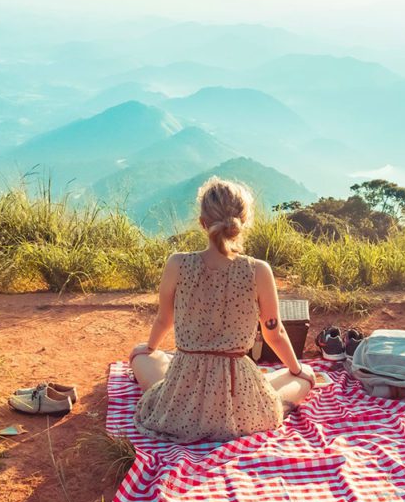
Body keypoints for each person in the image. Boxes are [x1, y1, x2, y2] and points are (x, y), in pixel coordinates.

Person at [129, 177, 315, 443]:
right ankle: (291, 381)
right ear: (243, 222)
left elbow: (164, 319)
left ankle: (160, 368)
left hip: (184, 394)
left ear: (202, 222)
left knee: (142, 357)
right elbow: (275, 333)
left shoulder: (177, 264)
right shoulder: (258, 270)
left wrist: (149, 347)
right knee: (301, 377)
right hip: (239, 396)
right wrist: (297, 369)